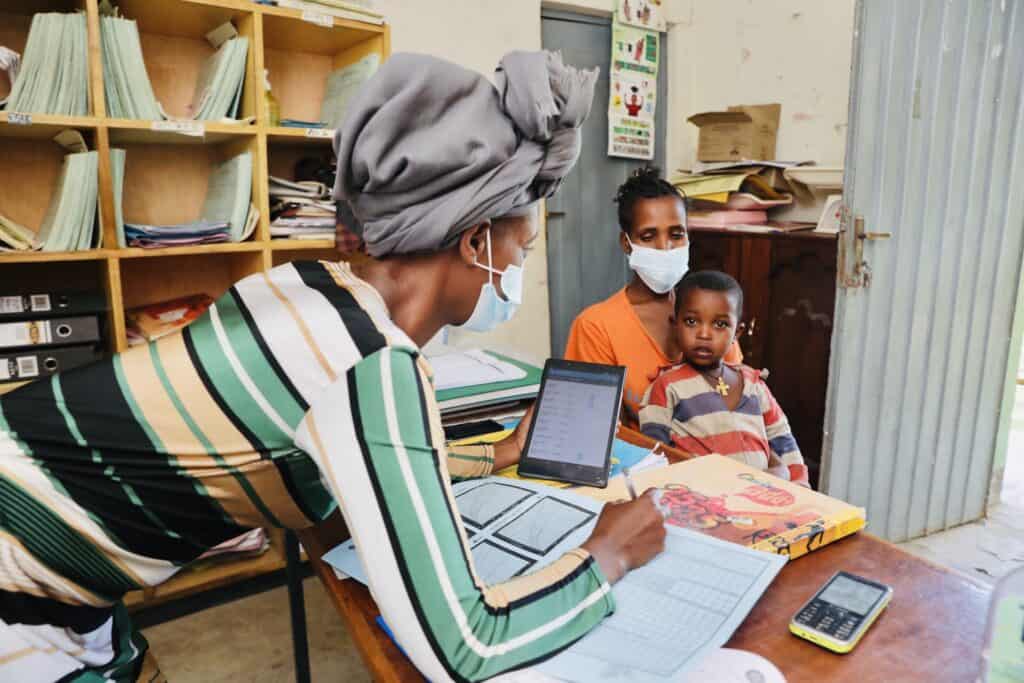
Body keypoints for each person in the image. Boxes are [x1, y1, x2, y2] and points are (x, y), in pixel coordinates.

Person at [0, 52, 667, 683]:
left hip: (49, 569)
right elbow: (466, 642)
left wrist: (493, 454)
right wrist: (606, 555)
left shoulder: (306, 285)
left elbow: (355, 448)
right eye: (520, 248)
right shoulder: (371, 363)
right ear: (474, 242)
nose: (518, 270)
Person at [564, 167, 742, 423]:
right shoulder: (596, 327)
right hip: (646, 460)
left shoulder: (712, 309)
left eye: (676, 234)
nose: (665, 248)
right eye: (648, 236)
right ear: (626, 243)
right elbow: (599, 428)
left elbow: (740, 397)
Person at [638, 271, 810, 487]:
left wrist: (800, 490)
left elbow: (783, 442)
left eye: (719, 325)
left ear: (737, 332)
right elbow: (654, 456)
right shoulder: (666, 387)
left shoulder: (754, 384)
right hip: (705, 502)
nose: (704, 334)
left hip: (767, 499)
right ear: (675, 325)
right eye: (691, 321)